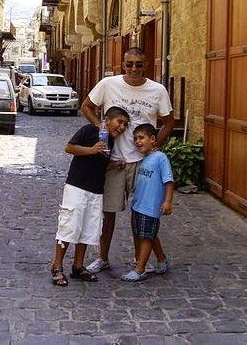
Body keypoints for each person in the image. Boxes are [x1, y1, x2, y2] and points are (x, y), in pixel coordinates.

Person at [81, 47, 174, 274]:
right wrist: (100, 127)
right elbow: (87, 106)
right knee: (108, 213)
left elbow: (169, 121)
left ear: (145, 66)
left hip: (142, 163)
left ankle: (138, 260)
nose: (133, 69)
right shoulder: (108, 84)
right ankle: (102, 257)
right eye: (129, 64)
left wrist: (155, 145)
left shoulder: (157, 90)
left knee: (142, 213)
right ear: (123, 64)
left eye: (138, 64)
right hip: (113, 160)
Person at [51, 106, 131, 286]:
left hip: (96, 190)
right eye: (120, 122)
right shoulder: (90, 130)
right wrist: (92, 150)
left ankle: (78, 266)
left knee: (88, 228)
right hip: (77, 186)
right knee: (70, 226)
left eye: (125, 125)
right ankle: (57, 266)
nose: (122, 127)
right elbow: (69, 148)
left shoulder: (110, 141)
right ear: (108, 120)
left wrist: (113, 165)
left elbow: (98, 164)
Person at [122, 123, 174, 282]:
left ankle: (140, 269)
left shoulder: (160, 158)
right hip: (138, 205)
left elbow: (169, 181)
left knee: (146, 237)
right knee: (148, 235)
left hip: (150, 207)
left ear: (152, 139)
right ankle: (162, 259)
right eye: (135, 139)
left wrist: (167, 201)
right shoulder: (143, 159)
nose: (138, 141)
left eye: (141, 138)